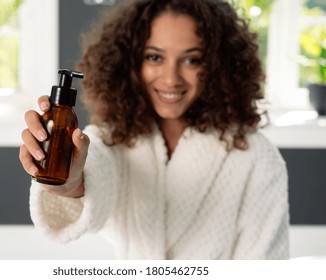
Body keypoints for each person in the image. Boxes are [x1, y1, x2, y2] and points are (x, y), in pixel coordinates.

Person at [19, 0, 289, 259]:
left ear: (218, 65)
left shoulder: (256, 157)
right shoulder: (115, 139)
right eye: (154, 57)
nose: (171, 78)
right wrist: (69, 181)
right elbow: (97, 170)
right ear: (131, 62)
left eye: (192, 60)